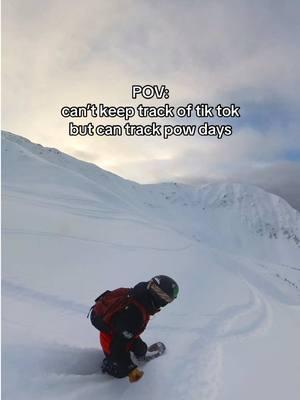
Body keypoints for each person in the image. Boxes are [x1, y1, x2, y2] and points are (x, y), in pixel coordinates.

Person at [89, 275, 179, 383]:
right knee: (121, 371)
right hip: (111, 337)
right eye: (167, 299)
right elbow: (117, 347)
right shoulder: (134, 315)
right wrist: (130, 368)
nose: (167, 303)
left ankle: (140, 355)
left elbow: (126, 329)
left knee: (140, 348)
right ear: (159, 297)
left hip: (122, 329)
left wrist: (128, 334)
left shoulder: (140, 295)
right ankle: (109, 365)